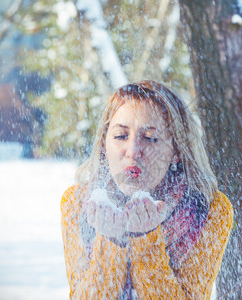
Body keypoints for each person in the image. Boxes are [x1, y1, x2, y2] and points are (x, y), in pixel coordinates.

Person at [61, 80, 233, 299]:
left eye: (150, 139)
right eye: (121, 136)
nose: (133, 151)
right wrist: (111, 243)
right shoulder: (78, 204)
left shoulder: (210, 210)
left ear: (176, 151)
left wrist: (146, 239)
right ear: (104, 143)